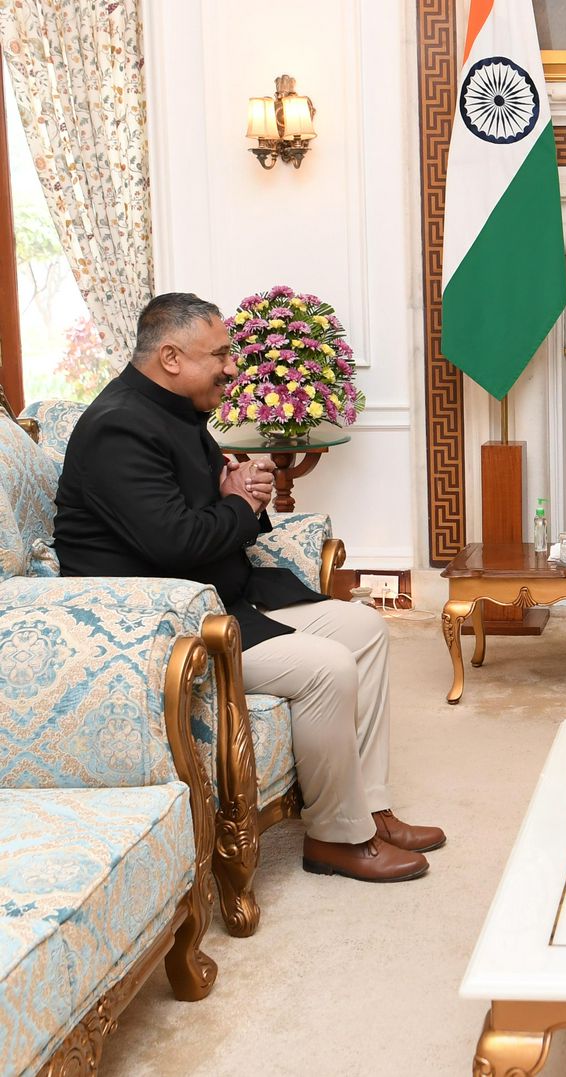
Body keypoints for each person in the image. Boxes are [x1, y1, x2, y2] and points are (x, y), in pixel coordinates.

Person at [53, 292, 445, 883]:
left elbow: (198, 512)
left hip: (219, 599)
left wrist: (240, 492)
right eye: (219, 354)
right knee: (326, 667)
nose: (232, 366)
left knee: (362, 627)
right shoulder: (118, 428)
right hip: (162, 624)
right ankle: (338, 838)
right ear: (170, 357)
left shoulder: (173, 411)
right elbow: (174, 543)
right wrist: (239, 503)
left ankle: (370, 807)